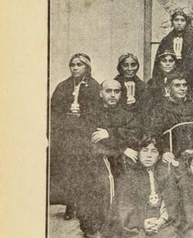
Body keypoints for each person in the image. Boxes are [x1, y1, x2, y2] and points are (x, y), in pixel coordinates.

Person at [77, 79, 142, 237]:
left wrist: (110, 134)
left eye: (116, 91)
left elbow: (135, 137)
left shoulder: (128, 116)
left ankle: (120, 227)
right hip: (97, 161)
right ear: (101, 93)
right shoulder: (91, 115)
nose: (112, 95)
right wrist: (121, 148)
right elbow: (92, 143)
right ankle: (98, 228)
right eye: (108, 91)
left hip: (122, 162)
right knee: (105, 182)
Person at [49, 53, 101, 221]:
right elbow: (53, 112)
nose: (76, 68)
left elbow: (97, 113)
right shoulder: (63, 86)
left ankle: (84, 207)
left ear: (87, 67)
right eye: (73, 65)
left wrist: (81, 118)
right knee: (69, 172)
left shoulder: (94, 87)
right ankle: (70, 205)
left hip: (84, 138)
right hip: (67, 137)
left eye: (80, 65)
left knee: (84, 172)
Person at [103, 138, 179, 238]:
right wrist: (141, 223)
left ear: (159, 156)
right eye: (144, 150)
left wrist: (161, 221)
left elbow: (172, 204)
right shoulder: (129, 177)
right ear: (138, 153)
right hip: (135, 227)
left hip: (163, 226)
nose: (149, 155)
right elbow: (124, 209)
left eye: (154, 151)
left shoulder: (166, 175)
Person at [153, 10, 193, 77]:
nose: (179, 23)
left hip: (188, 75)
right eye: (176, 20)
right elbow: (158, 63)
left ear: (186, 23)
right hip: (169, 74)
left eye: (182, 20)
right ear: (172, 22)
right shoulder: (165, 41)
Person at [144, 50, 178, 115]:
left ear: (175, 64)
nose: (167, 64)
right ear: (159, 64)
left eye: (171, 61)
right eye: (164, 61)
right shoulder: (152, 83)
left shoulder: (181, 82)